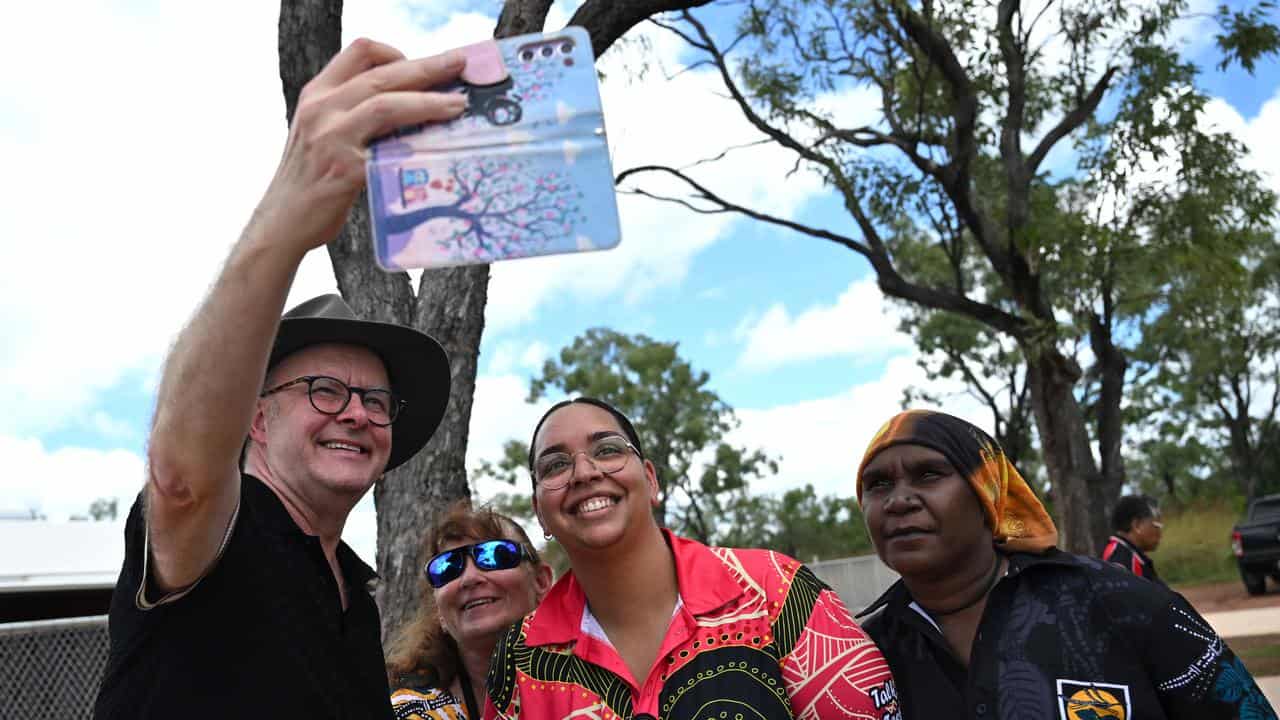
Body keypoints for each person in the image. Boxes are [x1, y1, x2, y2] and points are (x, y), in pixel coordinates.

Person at [93, 39, 469, 720]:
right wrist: (288, 214)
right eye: (325, 390)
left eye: (375, 399)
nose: (356, 413)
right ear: (255, 420)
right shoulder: (224, 534)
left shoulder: (358, 594)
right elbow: (183, 477)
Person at [485, 397, 900, 720]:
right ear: (540, 512)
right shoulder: (520, 659)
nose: (584, 472)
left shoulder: (776, 590)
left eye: (608, 450)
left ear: (650, 480)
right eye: (555, 465)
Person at [854, 409, 1275, 720]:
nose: (899, 500)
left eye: (928, 474)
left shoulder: (1121, 605)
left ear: (988, 496)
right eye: (878, 484)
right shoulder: (856, 653)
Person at [386, 504, 552, 720]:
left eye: (494, 555)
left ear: (541, 581)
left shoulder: (596, 677)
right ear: (439, 612)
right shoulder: (405, 710)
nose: (469, 579)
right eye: (447, 567)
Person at [1102, 494, 1165, 584]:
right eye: (1156, 525)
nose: (1160, 533)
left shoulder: (1130, 555)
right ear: (1137, 525)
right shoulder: (1120, 560)